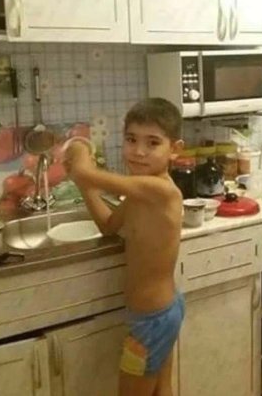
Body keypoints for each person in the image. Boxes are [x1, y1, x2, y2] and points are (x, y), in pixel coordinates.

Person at [63, 98, 185, 396]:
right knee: (161, 391)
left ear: (175, 149)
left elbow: (84, 171)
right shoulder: (140, 191)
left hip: (151, 321)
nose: (139, 151)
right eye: (131, 140)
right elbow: (108, 225)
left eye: (152, 142)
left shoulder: (160, 189)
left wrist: (78, 146)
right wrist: (85, 187)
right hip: (160, 312)